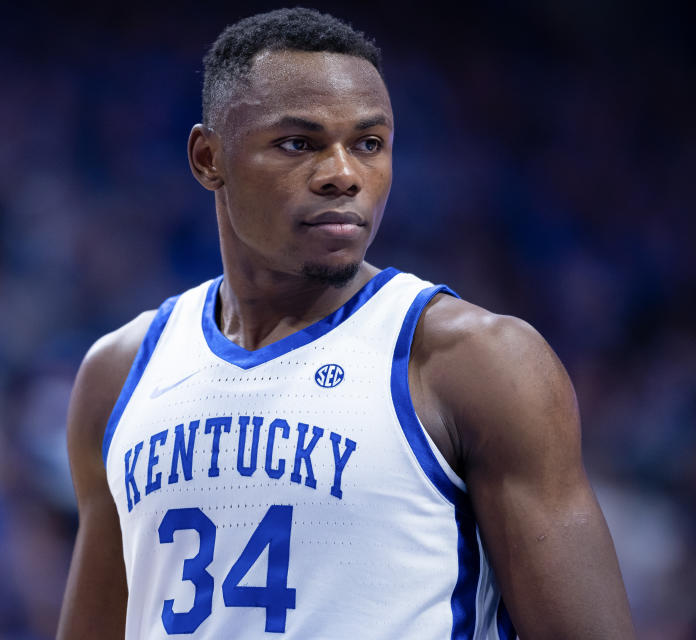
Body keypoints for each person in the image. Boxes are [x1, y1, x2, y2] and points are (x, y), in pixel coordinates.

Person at [56, 8, 635, 639]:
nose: (343, 174)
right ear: (208, 158)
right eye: (299, 143)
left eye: (368, 144)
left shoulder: (476, 363)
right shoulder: (119, 375)